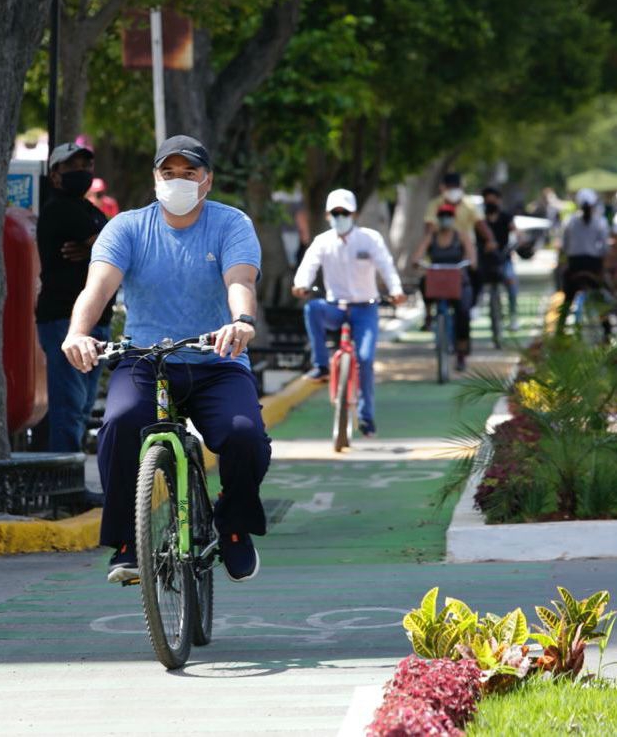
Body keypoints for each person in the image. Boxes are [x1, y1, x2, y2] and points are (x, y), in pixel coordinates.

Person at [61, 134, 270, 585]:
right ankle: (125, 541)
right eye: (168, 172)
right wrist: (78, 333)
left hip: (218, 357)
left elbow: (240, 279)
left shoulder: (231, 224)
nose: (178, 181)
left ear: (207, 181)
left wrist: (242, 321)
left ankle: (233, 526)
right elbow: (96, 288)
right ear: (155, 178)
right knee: (117, 426)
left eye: (189, 173)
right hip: (144, 359)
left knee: (245, 436)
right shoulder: (127, 228)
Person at [291, 189, 405, 438]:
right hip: (335, 306)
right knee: (312, 308)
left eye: (344, 212)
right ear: (328, 214)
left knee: (364, 359)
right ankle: (321, 364)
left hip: (365, 308)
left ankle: (366, 417)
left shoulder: (370, 239)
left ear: (354, 214)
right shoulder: (323, 241)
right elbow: (308, 265)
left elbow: (386, 265)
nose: (340, 216)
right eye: (335, 213)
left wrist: (396, 291)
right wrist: (301, 284)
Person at [36, 141, 112, 452]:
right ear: (55, 175)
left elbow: (113, 247)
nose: (81, 173)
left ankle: (72, 480)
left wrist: (95, 249)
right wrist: (100, 249)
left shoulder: (90, 211)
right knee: (69, 407)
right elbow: (113, 248)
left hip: (100, 322)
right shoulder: (59, 209)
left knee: (82, 408)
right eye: (72, 168)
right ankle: (64, 486)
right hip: (65, 322)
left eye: (86, 167)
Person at [422, 172, 496, 329]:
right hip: (440, 252)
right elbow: (428, 229)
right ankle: (428, 314)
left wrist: (490, 240)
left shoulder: (469, 205)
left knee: (476, 276)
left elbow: (481, 225)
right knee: (425, 280)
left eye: (456, 187)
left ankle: (471, 306)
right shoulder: (435, 204)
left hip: (464, 253)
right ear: (443, 188)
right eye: (450, 187)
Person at [411, 203, 476, 372]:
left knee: (462, 313)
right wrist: (417, 261)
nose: (445, 219)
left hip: (457, 280)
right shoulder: (431, 236)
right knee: (423, 282)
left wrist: (471, 263)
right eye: (442, 216)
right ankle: (428, 314)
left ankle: (461, 353)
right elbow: (418, 255)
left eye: (448, 216)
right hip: (437, 280)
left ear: (453, 218)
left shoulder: (461, 236)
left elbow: (471, 256)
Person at [556, 188, 611, 335]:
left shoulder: (569, 221)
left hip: (574, 265)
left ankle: (559, 331)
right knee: (601, 298)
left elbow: (565, 246)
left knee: (567, 299)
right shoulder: (601, 221)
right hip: (593, 267)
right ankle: (607, 330)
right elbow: (604, 248)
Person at [473, 186, 520, 331]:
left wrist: (518, 242)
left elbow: (517, 233)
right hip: (483, 259)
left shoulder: (506, 217)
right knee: (474, 279)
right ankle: (475, 306)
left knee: (511, 282)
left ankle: (513, 316)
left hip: (502, 258)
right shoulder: (478, 218)